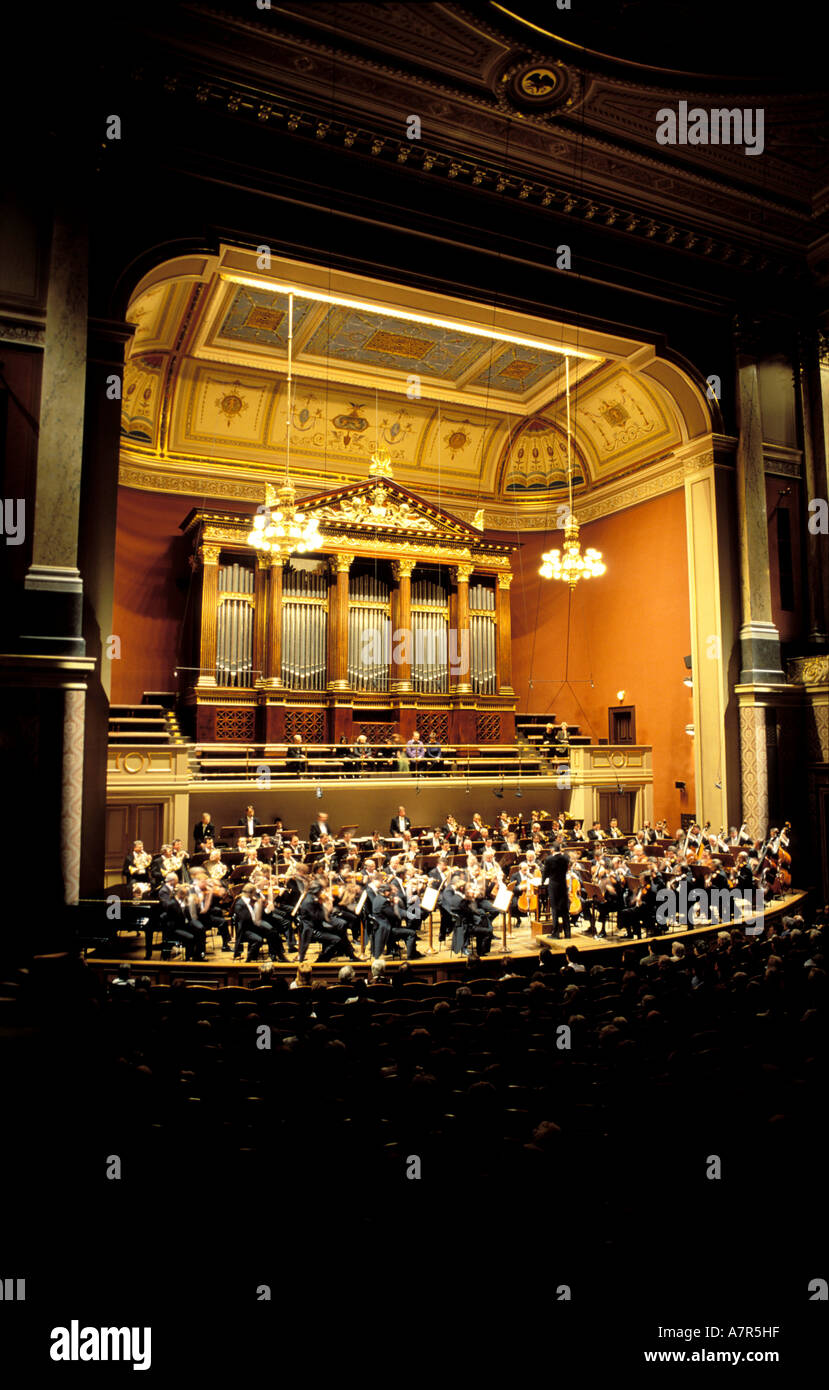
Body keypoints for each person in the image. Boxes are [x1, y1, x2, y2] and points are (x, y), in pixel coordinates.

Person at [542, 840, 571, 938]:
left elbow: (545, 872)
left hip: (553, 886)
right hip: (563, 885)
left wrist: (542, 881)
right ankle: (567, 934)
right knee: (564, 910)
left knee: (554, 909)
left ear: (552, 850)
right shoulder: (566, 858)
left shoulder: (549, 859)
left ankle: (555, 933)